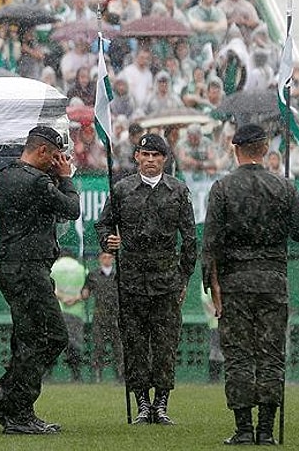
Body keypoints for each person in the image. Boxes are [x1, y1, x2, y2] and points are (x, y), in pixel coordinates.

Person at [204, 124, 299, 446]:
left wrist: (213, 287)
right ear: (265, 149)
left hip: (235, 283)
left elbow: (210, 244)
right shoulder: (284, 187)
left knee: (238, 355)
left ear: (236, 149)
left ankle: (243, 429)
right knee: (270, 354)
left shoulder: (222, 188)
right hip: (273, 281)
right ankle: (266, 429)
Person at [0, 126, 79, 435]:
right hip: (29, 270)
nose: (55, 162)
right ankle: (12, 399)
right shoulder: (37, 182)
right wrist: (66, 177)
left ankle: (14, 403)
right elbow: (72, 209)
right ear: (43, 152)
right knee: (51, 337)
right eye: (54, 156)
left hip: (14, 269)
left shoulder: (6, 175)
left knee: (27, 340)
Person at [95, 133, 196, 425]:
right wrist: (108, 240)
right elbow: (102, 224)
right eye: (146, 154)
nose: (151, 160)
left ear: (165, 159)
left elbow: (189, 238)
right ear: (137, 157)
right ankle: (142, 402)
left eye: (156, 155)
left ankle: (161, 403)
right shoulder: (122, 190)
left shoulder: (178, 191)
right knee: (135, 344)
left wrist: (184, 277)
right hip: (131, 279)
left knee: (165, 344)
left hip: (166, 279)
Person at [82, 252, 124, 383]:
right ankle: (97, 375)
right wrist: (84, 292)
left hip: (116, 315)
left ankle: (120, 375)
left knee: (118, 347)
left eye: (109, 257)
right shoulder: (93, 275)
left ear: (113, 259)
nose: (107, 260)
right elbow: (85, 291)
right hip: (100, 315)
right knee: (98, 346)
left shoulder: (119, 275)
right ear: (100, 259)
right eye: (104, 257)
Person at [50, 253, 88, 383]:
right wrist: (74, 298)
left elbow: (50, 287)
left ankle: (48, 375)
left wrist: (63, 297)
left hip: (57, 310)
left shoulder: (54, 268)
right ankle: (76, 374)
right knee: (75, 343)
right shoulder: (81, 269)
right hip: (76, 312)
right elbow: (86, 290)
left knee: (52, 341)